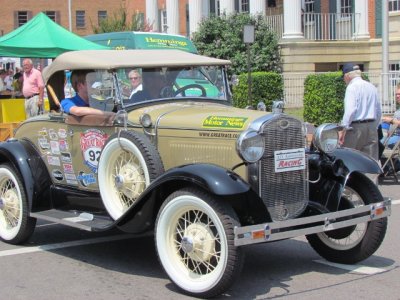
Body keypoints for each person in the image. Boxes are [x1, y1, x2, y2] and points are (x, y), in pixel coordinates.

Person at [338, 63, 382, 161]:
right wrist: (374, 127)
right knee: (370, 161)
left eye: (343, 77)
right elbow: (378, 111)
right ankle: (370, 177)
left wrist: (343, 129)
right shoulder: (372, 87)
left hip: (355, 128)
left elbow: (350, 111)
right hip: (371, 126)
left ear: (347, 75)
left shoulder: (351, 87)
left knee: (350, 159)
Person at [381, 84, 400, 149]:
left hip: (397, 138)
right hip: (392, 136)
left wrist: (391, 120)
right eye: (396, 94)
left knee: (378, 145)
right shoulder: (398, 110)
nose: (397, 96)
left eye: (399, 94)